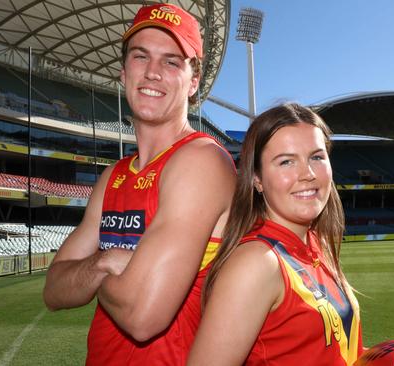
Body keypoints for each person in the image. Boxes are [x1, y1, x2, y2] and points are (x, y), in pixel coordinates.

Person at [43, 3, 235, 365]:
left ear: (193, 82)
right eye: (140, 56)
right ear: (123, 71)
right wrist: (104, 263)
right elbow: (53, 289)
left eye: (171, 62)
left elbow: (142, 315)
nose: (152, 73)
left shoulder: (201, 160)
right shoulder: (112, 177)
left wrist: (90, 274)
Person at [187, 103, 363, 365]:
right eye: (286, 162)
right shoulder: (256, 263)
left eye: (316, 157)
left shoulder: (317, 242)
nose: (308, 174)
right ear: (257, 179)